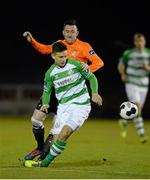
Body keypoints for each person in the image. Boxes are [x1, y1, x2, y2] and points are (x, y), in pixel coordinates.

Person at [23, 19, 104, 160]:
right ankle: (39, 147)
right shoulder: (59, 45)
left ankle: (44, 157)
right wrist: (32, 41)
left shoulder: (84, 46)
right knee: (36, 120)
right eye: (67, 31)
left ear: (77, 32)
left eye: (73, 31)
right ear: (63, 32)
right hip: (55, 90)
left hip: (71, 94)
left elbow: (99, 62)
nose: (70, 34)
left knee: (56, 128)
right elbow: (44, 49)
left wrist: (86, 71)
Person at [117, 33, 150, 143]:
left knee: (137, 110)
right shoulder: (128, 53)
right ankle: (142, 135)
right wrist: (123, 74)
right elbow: (121, 65)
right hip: (131, 83)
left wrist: (148, 68)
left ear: (144, 42)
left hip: (144, 85)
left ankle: (124, 121)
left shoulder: (148, 53)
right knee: (137, 106)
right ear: (135, 42)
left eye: (141, 41)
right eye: (137, 41)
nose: (140, 43)